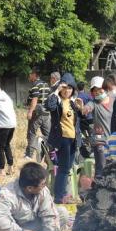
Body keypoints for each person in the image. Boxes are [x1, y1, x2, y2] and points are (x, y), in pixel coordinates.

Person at [0, 162, 63, 231]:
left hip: (34, 226)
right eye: (42, 184)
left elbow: (50, 215)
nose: (45, 186)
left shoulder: (43, 191)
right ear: (30, 188)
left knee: (62, 213)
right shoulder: (7, 194)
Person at [46, 73, 82, 203]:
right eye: (65, 88)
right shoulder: (57, 100)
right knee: (63, 169)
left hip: (73, 139)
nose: (67, 91)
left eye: (70, 88)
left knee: (67, 168)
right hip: (62, 139)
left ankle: (62, 195)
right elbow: (49, 106)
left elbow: (79, 121)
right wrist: (56, 90)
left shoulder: (73, 102)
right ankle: (59, 197)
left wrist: (80, 108)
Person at [80, 76, 112, 179]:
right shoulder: (93, 103)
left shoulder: (114, 101)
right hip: (99, 139)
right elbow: (86, 109)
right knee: (101, 167)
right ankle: (98, 187)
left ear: (105, 88)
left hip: (113, 139)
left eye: (99, 89)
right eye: (95, 90)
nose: (97, 92)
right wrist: (82, 107)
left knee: (113, 166)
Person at [24, 67, 51, 161]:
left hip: (37, 113)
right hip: (46, 113)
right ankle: (49, 152)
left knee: (31, 133)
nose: (29, 76)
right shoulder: (46, 85)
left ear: (34, 75)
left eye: (30, 74)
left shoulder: (35, 85)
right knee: (48, 134)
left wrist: (30, 111)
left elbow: (35, 99)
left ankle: (29, 155)